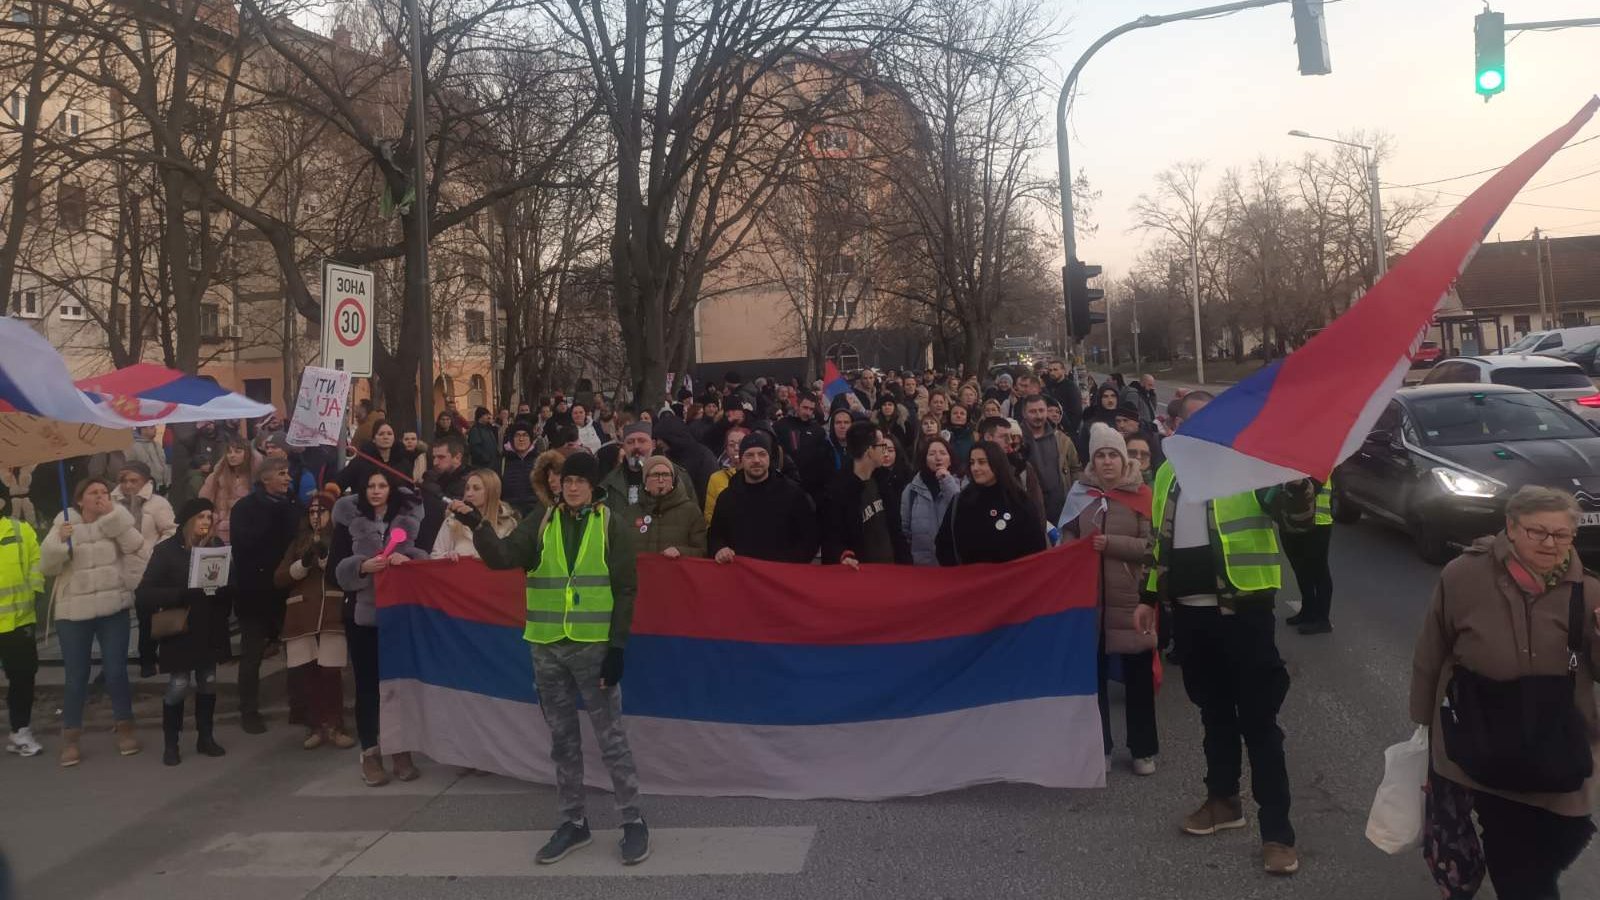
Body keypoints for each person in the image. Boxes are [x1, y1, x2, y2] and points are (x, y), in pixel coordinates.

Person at [1133, 390, 1310, 877]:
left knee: (1260, 723)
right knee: (1213, 714)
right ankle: (1222, 802)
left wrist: (1297, 487)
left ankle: (1277, 833)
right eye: (1192, 421)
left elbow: (1294, 519)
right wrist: (1148, 598)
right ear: (1176, 427)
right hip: (1190, 615)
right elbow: (1157, 542)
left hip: (1243, 612)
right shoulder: (1168, 472)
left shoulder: (1248, 465)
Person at [1409, 486, 1600, 900]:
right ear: (1510, 528)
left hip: (1559, 747)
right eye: (1537, 532)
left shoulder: (1588, 591)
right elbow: (1432, 648)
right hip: (1486, 735)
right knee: (1519, 869)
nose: (1551, 544)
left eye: (1561, 535)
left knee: (1566, 833)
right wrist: (1424, 727)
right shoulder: (1463, 575)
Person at [467, 452, 650, 865]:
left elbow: (625, 590)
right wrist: (477, 527)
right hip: (547, 645)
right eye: (566, 480)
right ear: (557, 484)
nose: (571, 487)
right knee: (563, 742)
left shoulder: (611, 526)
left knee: (611, 740)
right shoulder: (542, 521)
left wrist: (617, 648)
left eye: (580, 480)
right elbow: (501, 558)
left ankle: (633, 821)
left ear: (593, 485)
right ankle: (573, 823)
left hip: (593, 647)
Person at [1061, 424, 1157, 775]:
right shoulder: (1080, 494)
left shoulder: (1141, 496)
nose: (1106, 462)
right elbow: (1067, 532)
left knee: (1138, 680)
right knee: (1094, 680)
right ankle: (1100, 746)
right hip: (1090, 605)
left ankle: (1143, 749)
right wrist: (1070, 547)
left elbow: (1152, 546)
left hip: (1131, 603)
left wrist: (1111, 544)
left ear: (1123, 459)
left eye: (1112, 455)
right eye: (1100, 456)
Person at [39, 478, 145, 765]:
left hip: (113, 609)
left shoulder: (114, 518)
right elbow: (47, 567)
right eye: (93, 493)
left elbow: (135, 545)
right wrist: (60, 542)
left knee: (116, 672)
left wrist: (113, 515)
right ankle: (71, 738)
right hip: (74, 613)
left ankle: (125, 729)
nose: (100, 496)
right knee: (76, 677)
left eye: (103, 492)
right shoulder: (63, 522)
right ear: (79, 500)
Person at [334, 470, 428, 786]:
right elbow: (334, 570)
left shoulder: (408, 520)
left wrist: (409, 561)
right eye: (370, 485)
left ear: (391, 489)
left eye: (382, 485)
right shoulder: (348, 521)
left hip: (398, 613)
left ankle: (400, 749)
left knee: (398, 686)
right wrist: (360, 567)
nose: (376, 491)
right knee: (367, 687)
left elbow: (423, 558)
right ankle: (370, 752)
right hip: (362, 617)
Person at [135, 498, 232, 766]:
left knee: (208, 681)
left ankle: (206, 737)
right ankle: (171, 743)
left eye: (210, 517)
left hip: (209, 626)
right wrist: (181, 593)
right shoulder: (166, 551)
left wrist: (223, 585)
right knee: (178, 685)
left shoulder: (216, 547)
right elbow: (144, 595)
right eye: (201, 516)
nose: (206, 522)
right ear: (189, 519)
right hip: (180, 627)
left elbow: (227, 583)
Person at [276, 487, 356, 750]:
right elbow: (280, 578)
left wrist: (325, 559)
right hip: (301, 615)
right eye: (311, 512)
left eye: (321, 511)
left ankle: (335, 725)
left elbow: (346, 575)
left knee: (330, 673)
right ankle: (315, 725)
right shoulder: (298, 542)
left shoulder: (342, 539)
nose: (315, 517)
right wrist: (304, 563)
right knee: (307, 675)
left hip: (331, 614)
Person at [228, 457, 301, 734]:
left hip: (286, 589)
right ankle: (248, 710)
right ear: (266, 478)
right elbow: (244, 545)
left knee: (295, 650)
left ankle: (300, 705)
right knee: (252, 655)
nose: (288, 479)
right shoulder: (245, 508)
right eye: (282, 474)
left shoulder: (292, 505)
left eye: (288, 474)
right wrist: (275, 518)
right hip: (255, 592)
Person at [709, 431, 818, 564]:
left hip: (781, 575)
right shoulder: (727, 497)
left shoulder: (792, 494)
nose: (756, 460)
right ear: (741, 459)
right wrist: (719, 549)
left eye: (762, 454)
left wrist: (789, 562)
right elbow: (715, 535)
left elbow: (809, 538)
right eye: (749, 455)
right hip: (740, 575)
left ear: (769, 457)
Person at [935, 441, 1045, 566]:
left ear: (997, 463)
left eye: (982, 462)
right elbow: (944, 545)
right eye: (972, 463)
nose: (975, 468)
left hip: (1012, 580)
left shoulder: (1019, 502)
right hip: (971, 580)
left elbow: (1035, 547)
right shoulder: (961, 501)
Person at [117, 460, 177, 676]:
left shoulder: (157, 504)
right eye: (124, 480)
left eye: (134, 480)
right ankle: (114, 664)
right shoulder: (113, 504)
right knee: (117, 620)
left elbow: (171, 530)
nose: (128, 485)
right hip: (119, 568)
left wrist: (154, 551)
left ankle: (148, 660)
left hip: (148, 568)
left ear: (145, 481)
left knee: (147, 617)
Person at [0, 483, 43, 757]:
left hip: (18, 621)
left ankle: (20, 732)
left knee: (23, 678)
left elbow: (36, 564)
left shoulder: (21, 530)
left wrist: (35, 593)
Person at [820, 422, 896, 567]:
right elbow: (831, 537)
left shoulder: (883, 481)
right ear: (869, 451)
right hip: (860, 573)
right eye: (882, 446)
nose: (885, 451)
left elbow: (895, 529)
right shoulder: (838, 490)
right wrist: (842, 555)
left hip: (890, 570)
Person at [1283, 478, 1335, 636]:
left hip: (1317, 520)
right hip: (1291, 519)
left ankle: (1322, 619)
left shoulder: (1321, 455)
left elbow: (1315, 485)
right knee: (1300, 568)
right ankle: (1308, 610)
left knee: (1319, 570)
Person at [1020, 394, 1082, 523]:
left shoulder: (1062, 440)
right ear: (1024, 414)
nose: (1038, 416)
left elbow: (1075, 469)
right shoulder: (1016, 441)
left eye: (1041, 410)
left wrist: (1074, 498)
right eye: (1032, 411)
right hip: (1028, 509)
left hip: (1060, 510)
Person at [901, 437, 961, 566]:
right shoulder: (911, 490)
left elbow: (960, 509)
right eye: (932, 454)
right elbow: (904, 530)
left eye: (943, 453)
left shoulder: (962, 484)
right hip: (921, 565)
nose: (938, 458)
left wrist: (947, 481)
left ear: (950, 459)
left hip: (952, 564)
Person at [633, 456, 708, 559]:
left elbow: (702, 551)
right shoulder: (630, 513)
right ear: (645, 480)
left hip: (675, 573)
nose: (661, 480)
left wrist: (680, 552)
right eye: (655, 475)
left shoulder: (691, 512)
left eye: (666, 475)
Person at [433, 470, 518, 559]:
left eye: (476, 488)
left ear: (491, 492)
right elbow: (435, 556)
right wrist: (446, 556)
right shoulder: (452, 521)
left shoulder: (509, 524)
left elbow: (510, 560)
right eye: (467, 488)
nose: (469, 494)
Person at [651, 413, 716, 506]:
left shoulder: (704, 456)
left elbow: (707, 492)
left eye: (661, 438)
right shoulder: (667, 456)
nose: (658, 442)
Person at [200, 434, 255, 544]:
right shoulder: (216, 476)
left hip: (246, 534)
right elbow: (202, 506)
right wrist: (205, 532)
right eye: (229, 452)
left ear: (247, 454)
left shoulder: (254, 478)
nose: (232, 455)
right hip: (218, 535)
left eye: (237, 451)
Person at [501, 422, 542, 515]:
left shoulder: (540, 461)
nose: (521, 439)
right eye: (517, 435)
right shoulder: (502, 462)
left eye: (525, 435)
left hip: (535, 513)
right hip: (509, 512)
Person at [1043, 360, 1083, 434]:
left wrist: (1070, 430)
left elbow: (1077, 412)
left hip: (1067, 430)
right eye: (1050, 370)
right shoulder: (1048, 386)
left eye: (1055, 370)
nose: (1052, 373)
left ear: (1063, 370)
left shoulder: (1071, 387)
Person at [127, 426, 170, 492]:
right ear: (143, 430)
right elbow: (131, 470)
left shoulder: (157, 445)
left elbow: (164, 464)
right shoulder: (135, 448)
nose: (155, 429)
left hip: (163, 488)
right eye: (152, 427)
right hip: (147, 489)